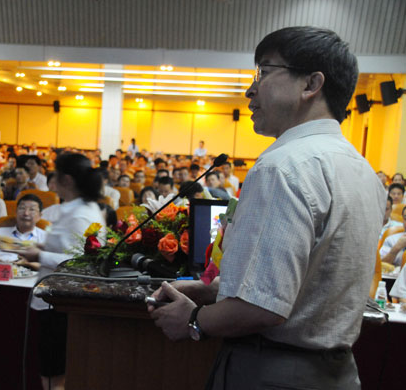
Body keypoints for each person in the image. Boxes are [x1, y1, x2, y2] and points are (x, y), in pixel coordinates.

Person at [148, 27, 386, 389]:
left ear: (311, 84)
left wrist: (195, 319)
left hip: (273, 372)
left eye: (264, 71)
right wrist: (219, 291)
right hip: (335, 373)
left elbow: (263, 308)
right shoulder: (363, 171)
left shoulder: (284, 166)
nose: (250, 89)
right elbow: (312, 285)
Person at [12, 153, 105, 390]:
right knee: (52, 374)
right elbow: (71, 247)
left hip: (61, 302)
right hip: (55, 300)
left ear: (66, 180)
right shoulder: (77, 208)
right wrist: (44, 247)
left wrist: (39, 255)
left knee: (55, 377)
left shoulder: (80, 213)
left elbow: (83, 261)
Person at [0, 194, 47, 267]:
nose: (26, 213)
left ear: (39, 216)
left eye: (32, 209)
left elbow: (50, 266)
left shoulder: (45, 237)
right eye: (22, 208)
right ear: (16, 212)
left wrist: (27, 264)